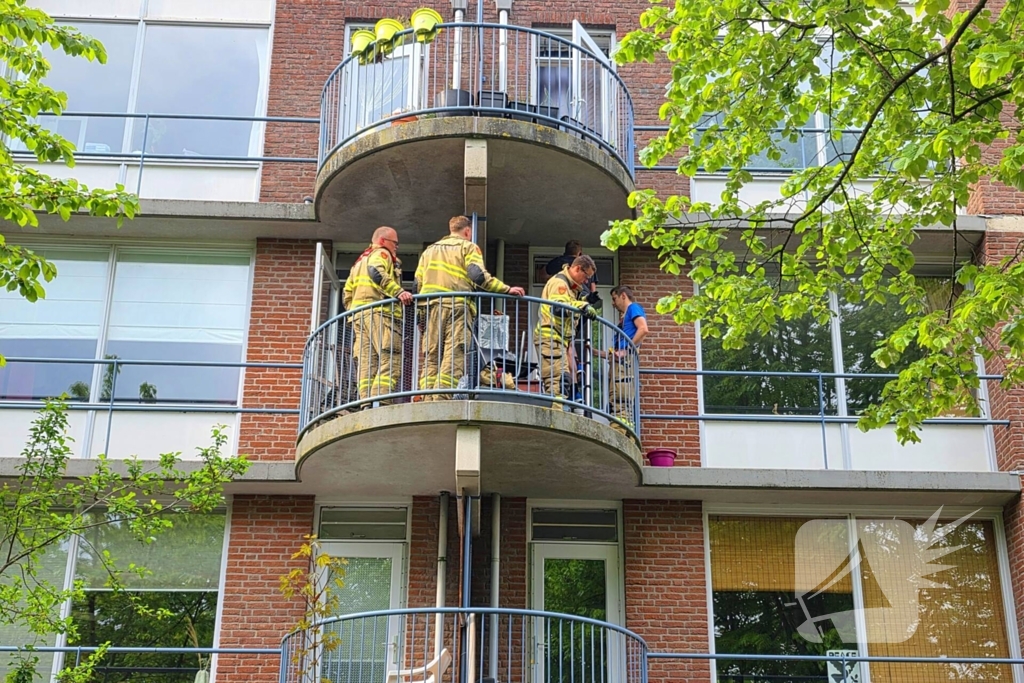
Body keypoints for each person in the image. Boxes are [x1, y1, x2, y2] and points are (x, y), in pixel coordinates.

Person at [415, 215, 525, 399]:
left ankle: (427, 398)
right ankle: (442, 398)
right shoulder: (468, 247)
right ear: (467, 231)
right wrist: (506, 289)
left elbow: (416, 286)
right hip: (457, 307)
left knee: (432, 356)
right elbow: (477, 275)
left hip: (431, 307)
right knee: (454, 353)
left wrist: (420, 316)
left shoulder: (429, 251)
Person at [342, 226, 414, 406]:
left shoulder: (359, 261)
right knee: (390, 356)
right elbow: (376, 271)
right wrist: (398, 292)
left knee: (367, 362)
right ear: (383, 241)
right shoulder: (381, 254)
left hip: (360, 317)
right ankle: (382, 401)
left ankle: (366, 403)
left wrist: (356, 311)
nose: (396, 247)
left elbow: (347, 294)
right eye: (394, 243)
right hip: (380, 315)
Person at [535, 255, 598, 408]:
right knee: (558, 381)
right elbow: (559, 308)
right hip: (551, 339)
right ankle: (555, 419)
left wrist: (586, 301)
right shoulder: (559, 283)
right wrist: (581, 307)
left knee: (563, 381)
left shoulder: (570, 287)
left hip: (558, 340)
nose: (586, 281)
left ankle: (556, 415)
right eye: (586, 277)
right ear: (577, 268)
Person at [602, 285, 648, 434]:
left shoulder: (633, 308)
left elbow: (643, 329)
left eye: (614, 299)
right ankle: (623, 429)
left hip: (625, 362)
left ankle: (620, 430)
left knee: (620, 394)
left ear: (623, 296)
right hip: (621, 361)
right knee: (618, 395)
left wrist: (627, 349)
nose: (612, 304)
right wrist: (596, 353)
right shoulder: (626, 317)